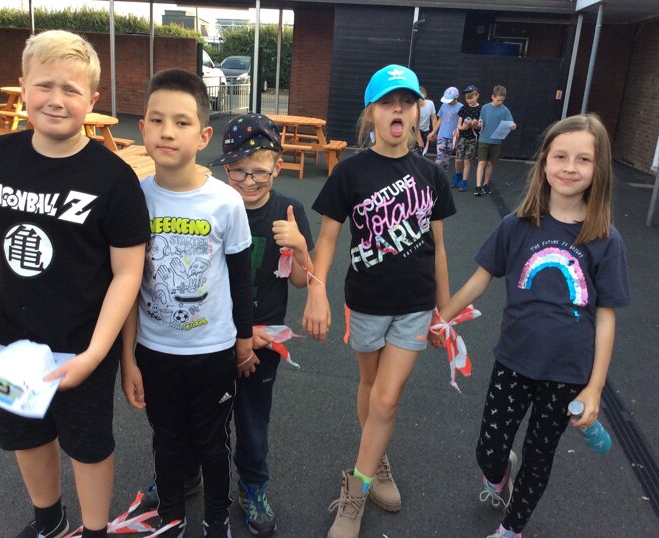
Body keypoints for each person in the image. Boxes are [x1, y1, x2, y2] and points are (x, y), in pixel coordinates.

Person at [0, 30, 149, 538]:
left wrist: (97, 353)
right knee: (25, 433)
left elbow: (128, 273)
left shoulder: (114, 179)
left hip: (83, 342)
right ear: (23, 87)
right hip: (8, 335)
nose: (56, 99)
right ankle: (49, 520)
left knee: (88, 445)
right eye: (44, 85)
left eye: (71, 89)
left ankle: (93, 530)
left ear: (93, 99)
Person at [436, 114, 629, 538]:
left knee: (539, 456)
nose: (570, 167)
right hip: (514, 362)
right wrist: (441, 317)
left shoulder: (605, 240)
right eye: (560, 156)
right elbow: (480, 279)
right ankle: (498, 473)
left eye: (583, 159)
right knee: (490, 449)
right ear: (544, 162)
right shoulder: (517, 226)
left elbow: (606, 317)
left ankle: (511, 528)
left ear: (598, 169)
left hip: (567, 374)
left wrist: (595, 388)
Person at [303, 64, 456, 538]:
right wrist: (316, 290)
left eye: (406, 102)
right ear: (371, 112)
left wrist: (445, 312)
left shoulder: (431, 175)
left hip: (416, 305)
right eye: (388, 102)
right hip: (366, 302)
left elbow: (439, 247)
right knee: (371, 386)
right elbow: (328, 239)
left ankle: (356, 491)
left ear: (417, 113)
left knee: (387, 398)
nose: (398, 110)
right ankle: (378, 458)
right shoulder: (350, 172)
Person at [120, 68, 254, 538]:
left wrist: (243, 340)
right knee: (168, 441)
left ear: (203, 136)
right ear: (143, 128)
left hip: (212, 351)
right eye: (157, 120)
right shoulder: (134, 199)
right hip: (155, 351)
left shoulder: (225, 202)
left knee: (213, 444)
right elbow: (126, 286)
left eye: (181, 122)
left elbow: (241, 278)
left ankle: (216, 520)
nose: (167, 132)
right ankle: (172, 520)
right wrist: (128, 358)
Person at [208, 112, 315, 536]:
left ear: (278, 166)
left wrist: (300, 245)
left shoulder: (290, 210)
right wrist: (239, 336)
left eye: (259, 171)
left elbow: (302, 281)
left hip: (265, 341)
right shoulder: (215, 207)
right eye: (238, 171)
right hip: (216, 335)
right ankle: (186, 471)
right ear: (225, 169)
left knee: (253, 422)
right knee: (203, 415)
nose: (249, 181)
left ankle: (253, 486)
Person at [475, 85, 516, 197]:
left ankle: (486, 184)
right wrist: (478, 124)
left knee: (490, 163)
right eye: (498, 100)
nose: (500, 102)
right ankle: (478, 186)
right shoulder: (485, 108)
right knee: (481, 162)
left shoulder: (505, 110)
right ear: (492, 97)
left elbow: (511, 123)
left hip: (496, 141)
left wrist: (513, 126)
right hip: (484, 139)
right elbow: (480, 121)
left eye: (502, 100)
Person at [428, 86, 463, 182]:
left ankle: (442, 179)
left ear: (456, 98)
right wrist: (433, 132)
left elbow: (460, 122)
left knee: (446, 160)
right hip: (442, 135)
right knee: (439, 158)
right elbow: (440, 119)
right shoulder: (444, 105)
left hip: (453, 137)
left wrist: (458, 133)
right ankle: (434, 177)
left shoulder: (461, 107)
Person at [454, 84, 482, 192]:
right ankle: (458, 175)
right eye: (467, 98)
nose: (469, 100)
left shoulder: (481, 110)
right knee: (458, 159)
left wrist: (474, 124)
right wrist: (464, 127)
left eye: (471, 97)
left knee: (467, 160)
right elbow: (459, 125)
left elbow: (480, 127)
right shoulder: (464, 108)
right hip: (462, 137)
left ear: (477, 95)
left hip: (473, 139)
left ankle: (464, 181)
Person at [414, 85, 437, 152]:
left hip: (425, 131)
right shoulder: (414, 107)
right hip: (414, 131)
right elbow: (415, 124)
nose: (420, 100)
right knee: (415, 151)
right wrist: (419, 139)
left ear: (425, 95)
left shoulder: (430, 104)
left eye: (422, 98)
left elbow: (433, 118)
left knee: (423, 151)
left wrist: (434, 132)